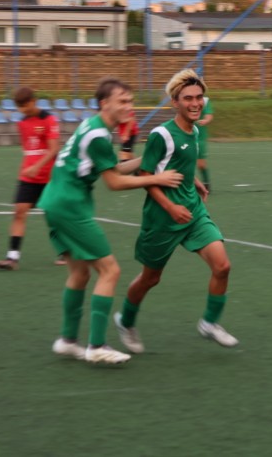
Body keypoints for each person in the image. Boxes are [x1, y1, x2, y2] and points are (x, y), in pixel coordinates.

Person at [38, 78, 183, 365]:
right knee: (110, 271)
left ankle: (68, 341)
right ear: (104, 103)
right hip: (69, 207)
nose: (129, 106)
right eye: (123, 101)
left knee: (80, 274)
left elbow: (112, 167)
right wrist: (157, 178)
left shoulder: (94, 127)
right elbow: (113, 182)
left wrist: (145, 160)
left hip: (56, 202)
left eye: (130, 101)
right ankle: (97, 346)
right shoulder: (98, 135)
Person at [113, 69, 237, 354]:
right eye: (188, 98)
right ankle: (125, 321)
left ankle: (210, 323)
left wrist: (194, 182)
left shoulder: (194, 130)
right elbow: (146, 176)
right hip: (162, 217)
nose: (195, 103)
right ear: (175, 102)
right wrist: (170, 206)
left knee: (222, 266)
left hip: (192, 212)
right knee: (150, 278)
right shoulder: (161, 135)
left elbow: (179, 164)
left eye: (199, 97)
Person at [0, 87, 61, 270]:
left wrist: (37, 166)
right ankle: (12, 257)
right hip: (28, 176)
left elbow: (54, 149)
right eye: (19, 107)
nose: (22, 110)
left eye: (24, 105)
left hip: (48, 177)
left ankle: (65, 251)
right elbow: (28, 149)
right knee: (19, 211)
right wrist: (29, 167)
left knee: (54, 216)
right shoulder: (22, 123)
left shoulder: (48, 119)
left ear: (34, 101)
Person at [196, 84, 214, 192]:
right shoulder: (186, 99)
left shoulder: (205, 101)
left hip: (200, 137)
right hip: (186, 135)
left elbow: (209, 115)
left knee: (201, 164)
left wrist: (206, 120)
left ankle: (206, 184)